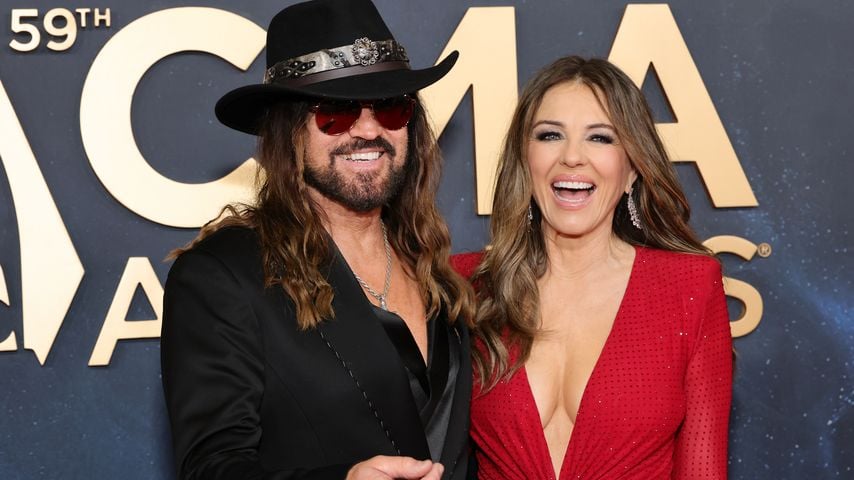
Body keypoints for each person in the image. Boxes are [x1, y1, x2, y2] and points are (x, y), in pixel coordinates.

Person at [160, 1, 475, 479]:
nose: (369, 130)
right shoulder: (223, 277)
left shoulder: (428, 260)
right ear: (287, 131)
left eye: (391, 107)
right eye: (337, 112)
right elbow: (213, 468)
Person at [453, 56, 732, 479]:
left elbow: (703, 470)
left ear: (632, 169)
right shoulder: (465, 285)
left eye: (600, 138)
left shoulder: (689, 286)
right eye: (550, 135)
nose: (572, 157)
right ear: (524, 161)